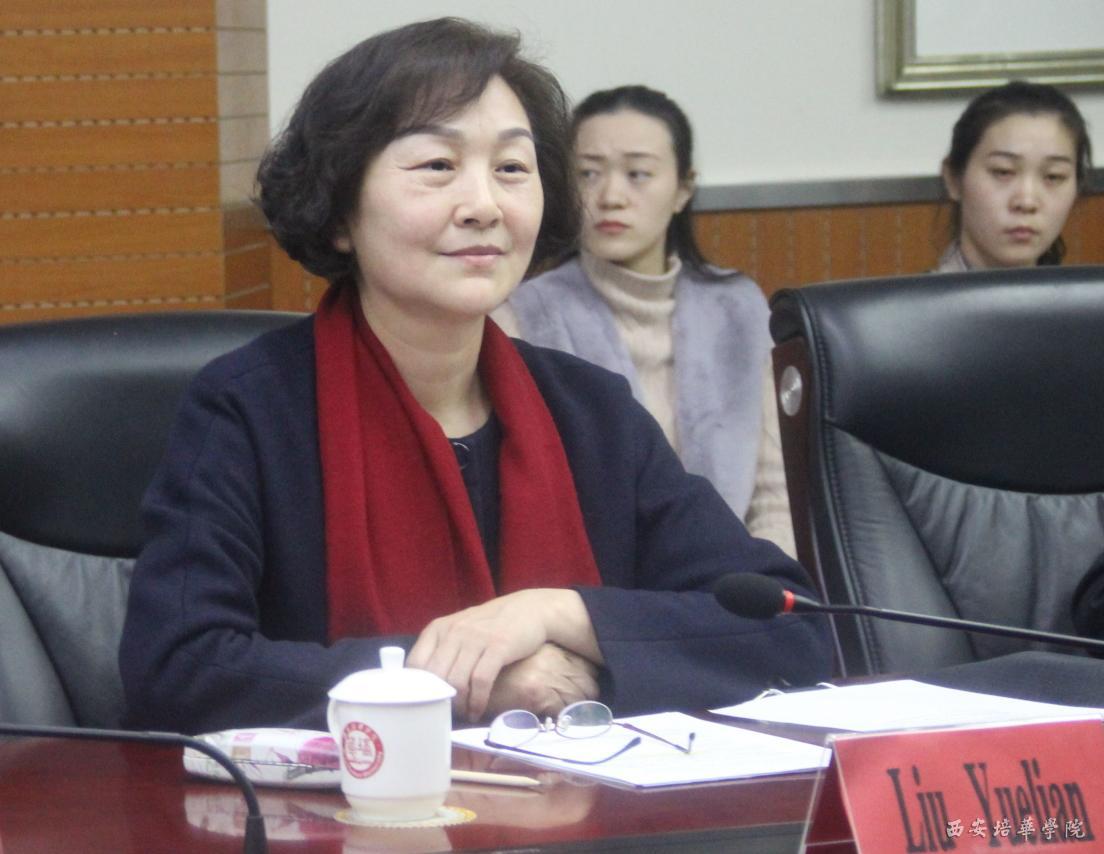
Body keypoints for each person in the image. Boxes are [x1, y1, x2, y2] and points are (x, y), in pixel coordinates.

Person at [118, 18, 831, 735]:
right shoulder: (247, 409)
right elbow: (179, 667)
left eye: (512, 169)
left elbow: (792, 628)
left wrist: (558, 614)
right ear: (340, 212)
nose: (485, 206)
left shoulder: (592, 411)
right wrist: (460, 684)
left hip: (583, 803)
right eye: (437, 166)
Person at [494, 85, 795, 557]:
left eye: (638, 174)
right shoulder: (521, 313)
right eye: (588, 173)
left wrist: (755, 581)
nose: (610, 196)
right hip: (595, 581)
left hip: (738, 577)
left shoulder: (738, 308)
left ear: (683, 189)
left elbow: (776, 493)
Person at [935, 80, 1093, 272]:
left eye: (1053, 176)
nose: (1026, 202)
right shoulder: (918, 293)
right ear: (953, 179)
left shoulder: (1089, 292)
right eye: (1003, 172)